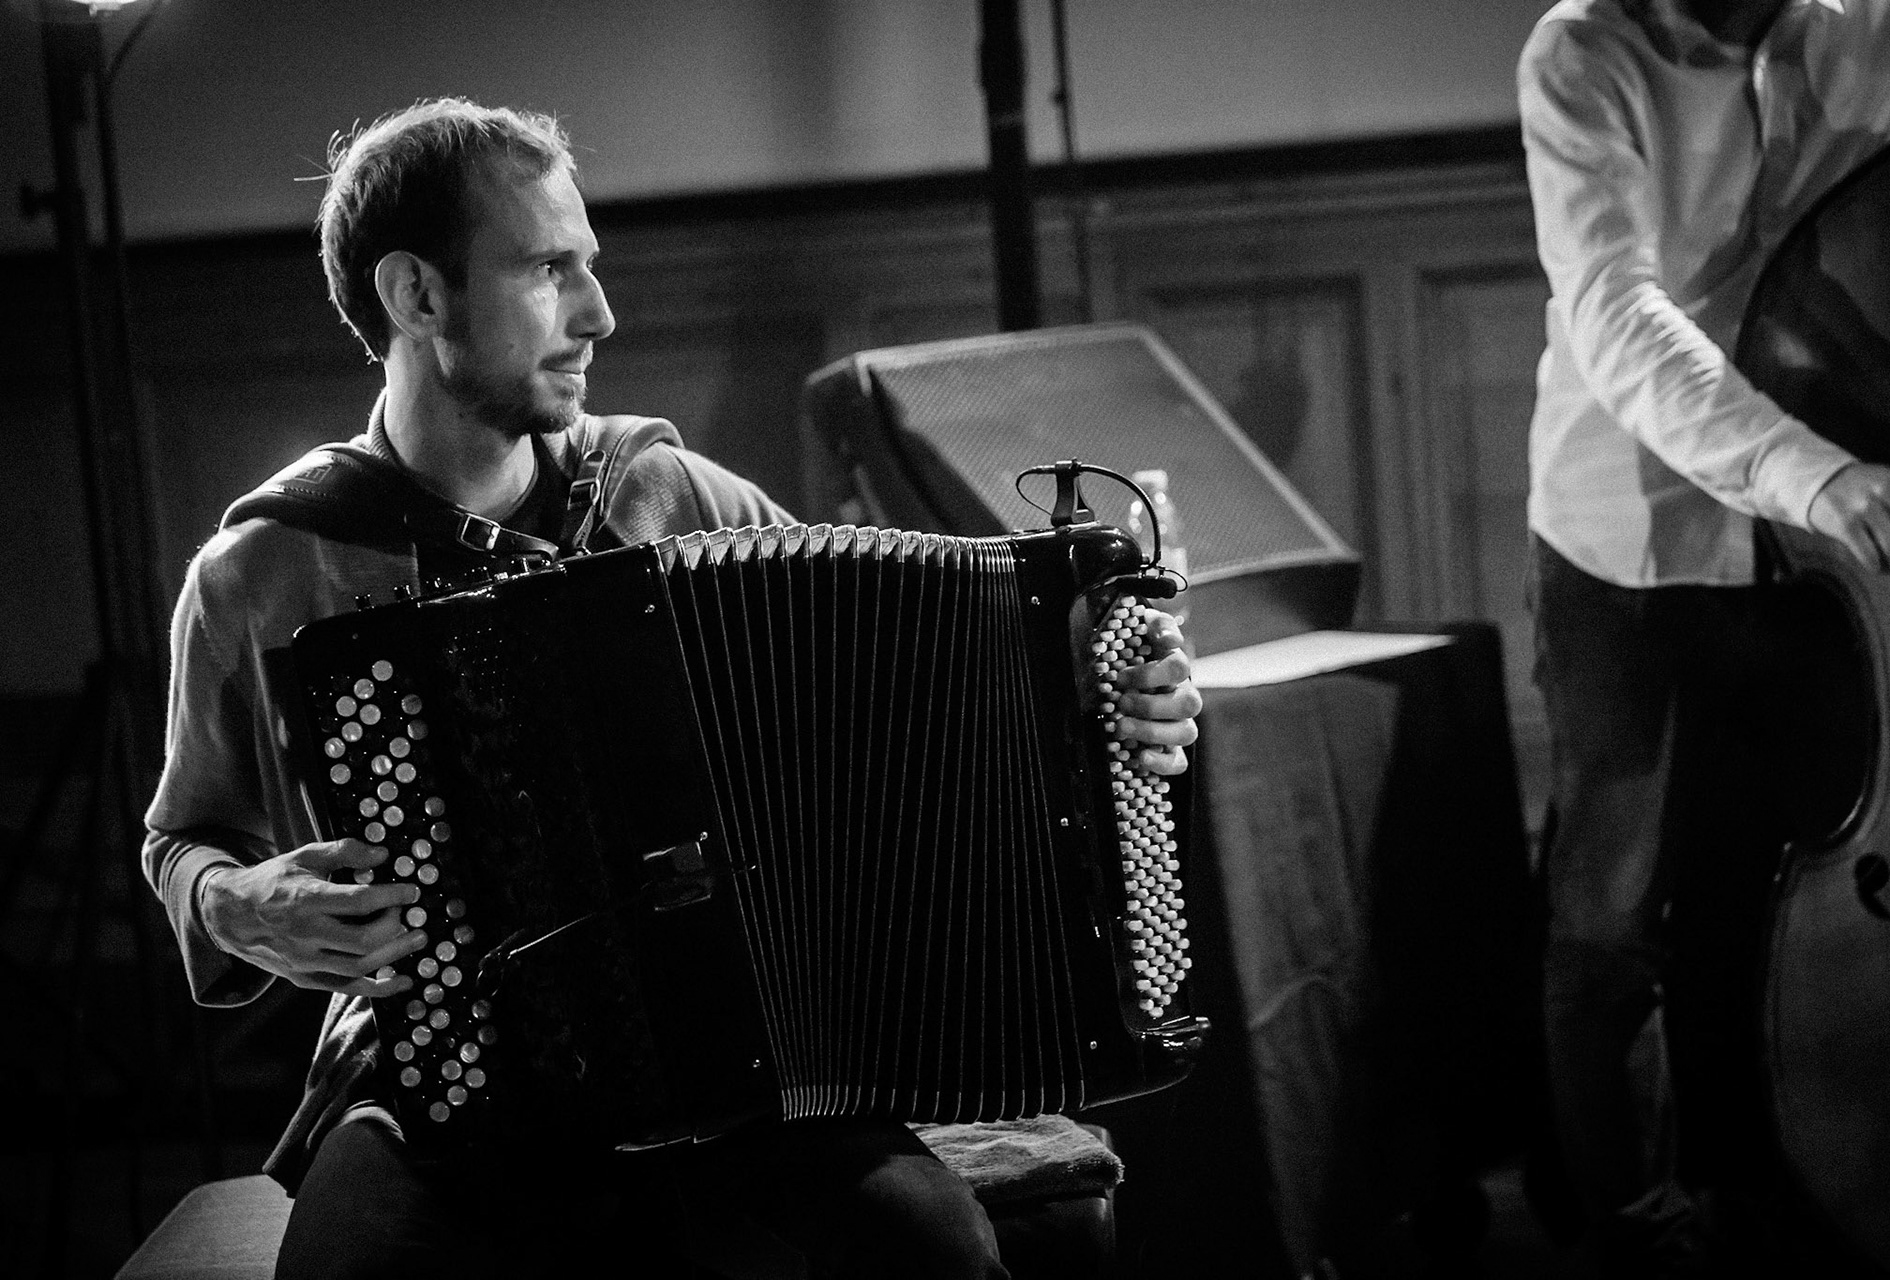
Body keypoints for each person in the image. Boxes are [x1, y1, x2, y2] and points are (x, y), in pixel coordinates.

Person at [140, 97, 1203, 1280]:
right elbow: (187, 834)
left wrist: (1093, 707)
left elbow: (909, 703)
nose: (601, 313)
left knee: (938, 1247)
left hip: (743, 1060)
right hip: (437, 1079)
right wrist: (237, 904)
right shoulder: (266, 565)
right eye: (551, 271)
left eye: (590, 266)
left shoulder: (672, 497)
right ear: (416, 296)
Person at [1518, 0, 1890, 1274]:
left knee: (1766, 903)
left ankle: (1772, 1198)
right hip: (1628, 536)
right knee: (1612, 911)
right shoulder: (1583, 55)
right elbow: (1617, 311)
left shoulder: (1880, 26)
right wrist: (1812, 470)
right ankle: (1624, 1232)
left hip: (1822, 556)